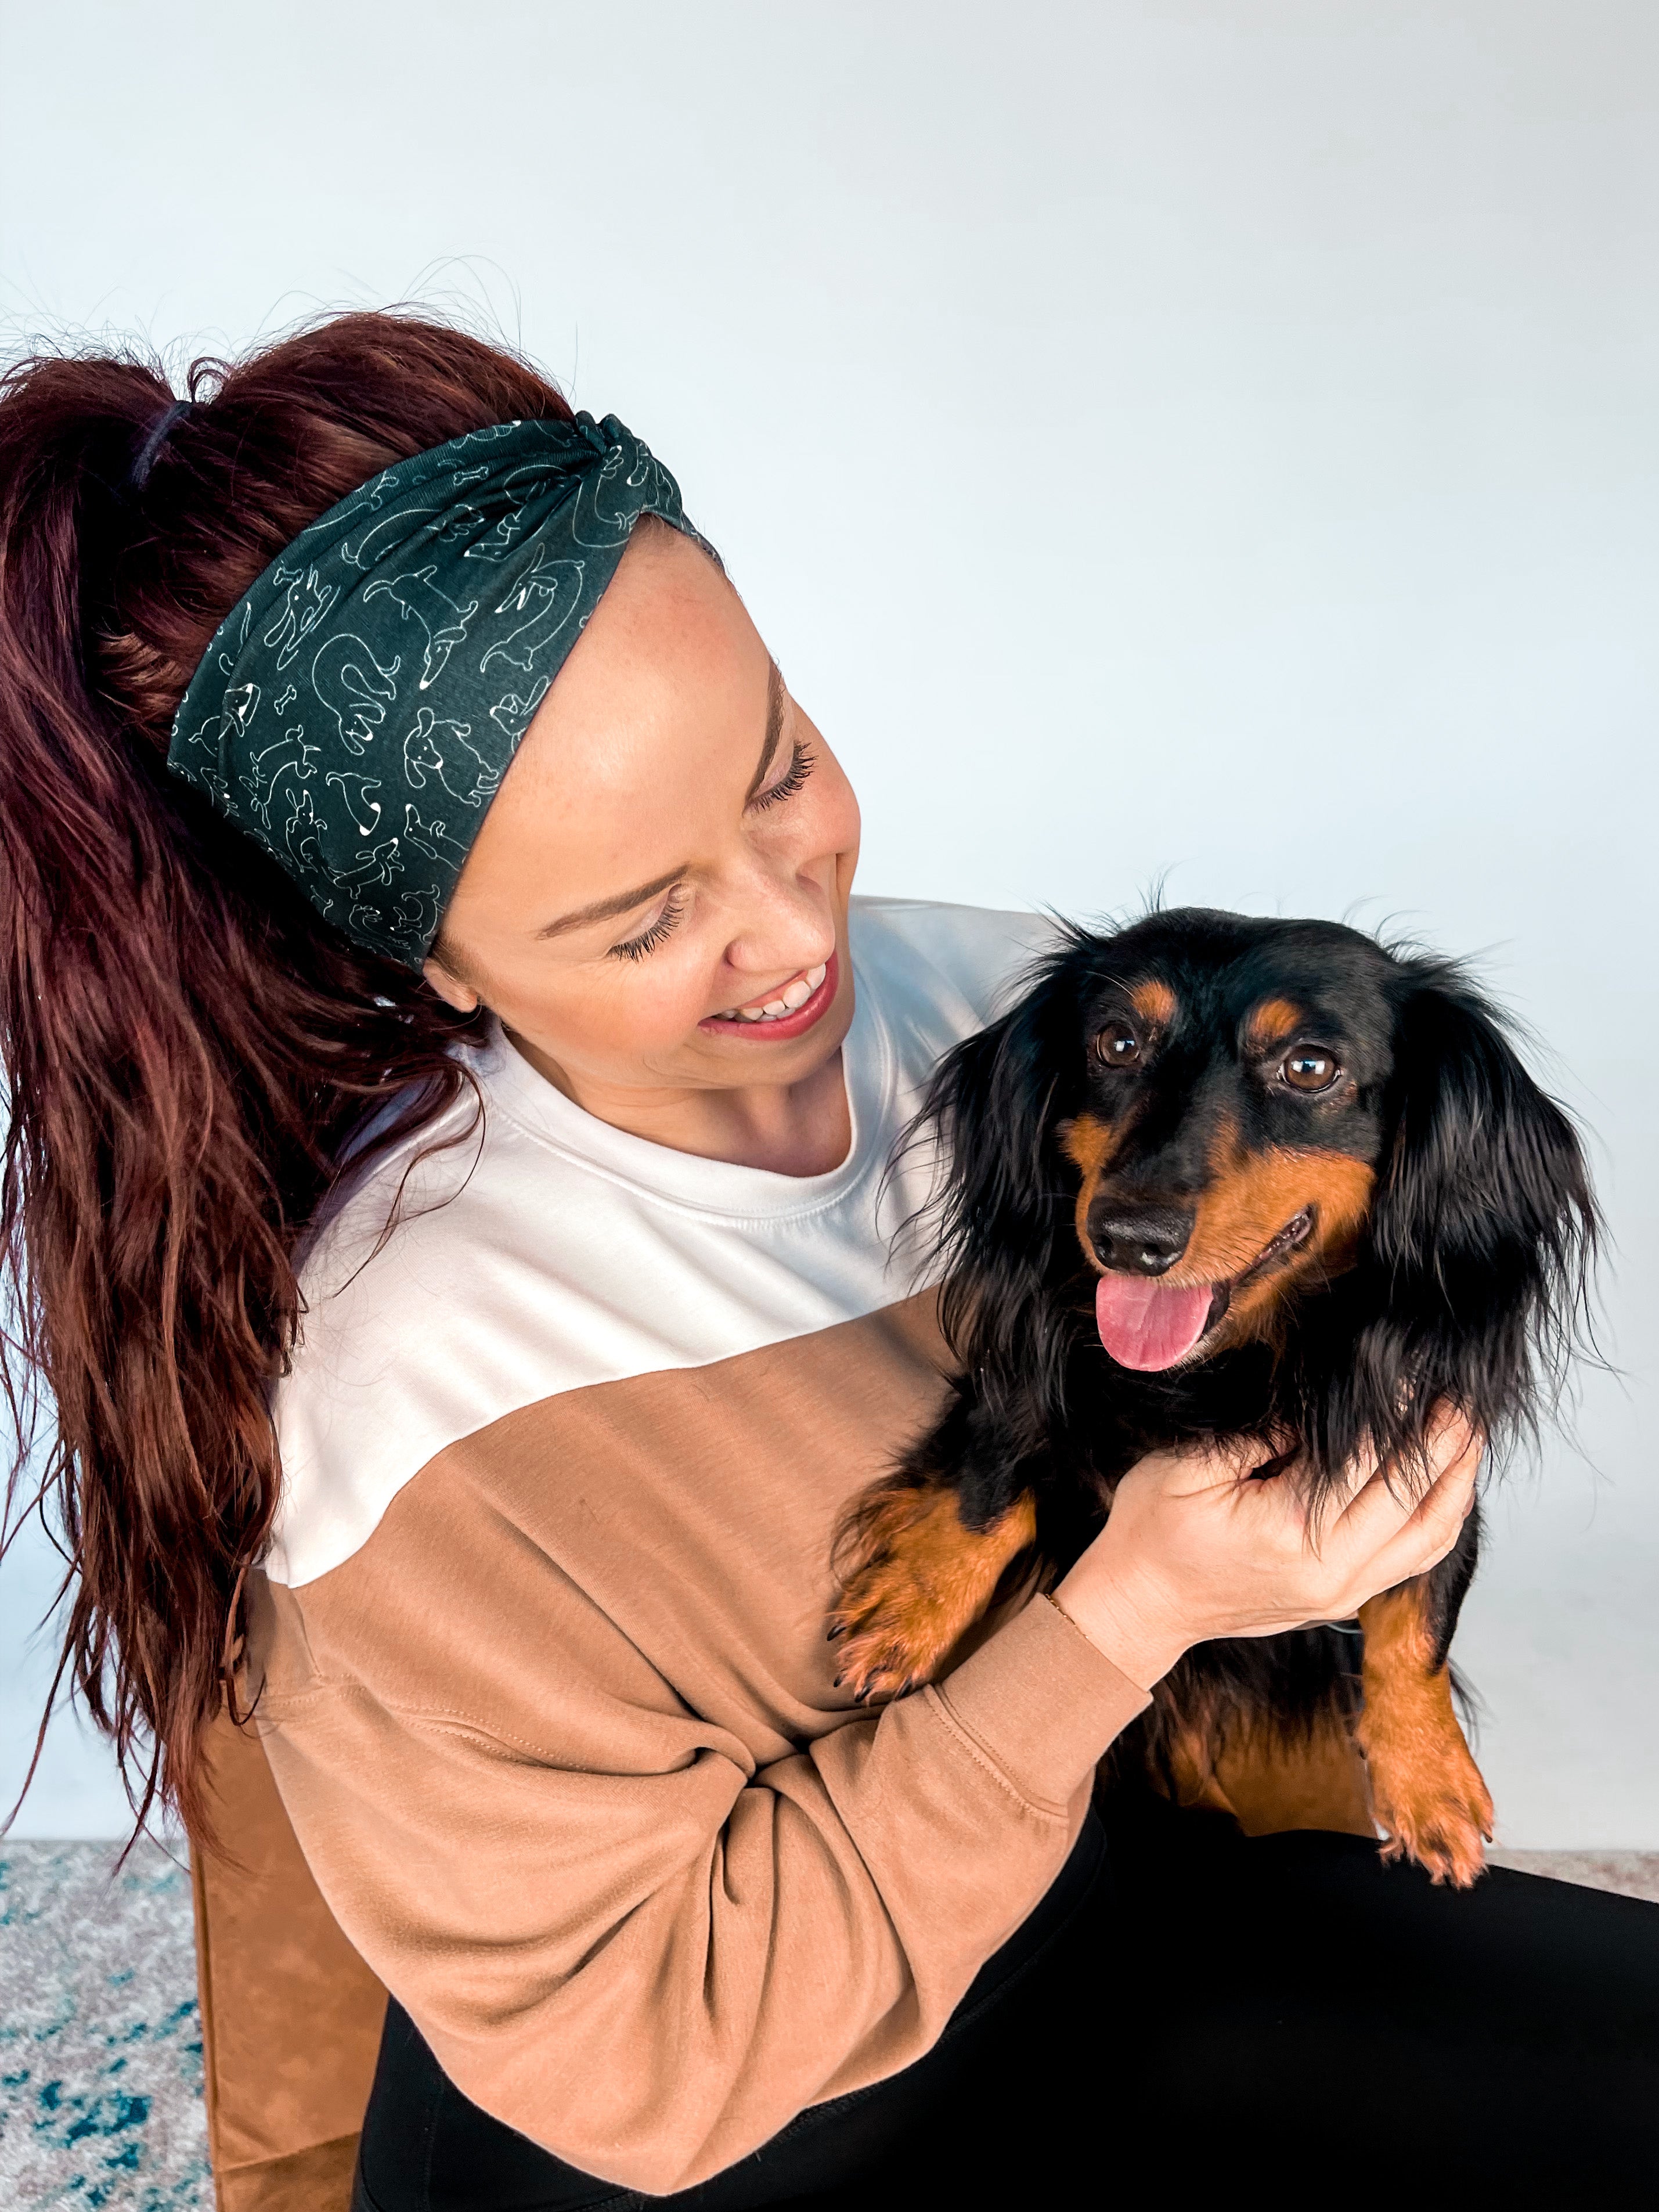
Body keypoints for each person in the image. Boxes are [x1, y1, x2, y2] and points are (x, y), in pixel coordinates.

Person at [0, 312, 1652, 2210]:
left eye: (776, 764)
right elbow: (647, 2064)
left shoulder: (1021, 1031)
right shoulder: (401, 1385)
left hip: (1081, 1913)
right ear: (439, 962)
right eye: (642, 916)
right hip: (714, 2133)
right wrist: (1115, 1618)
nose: (796, 934)